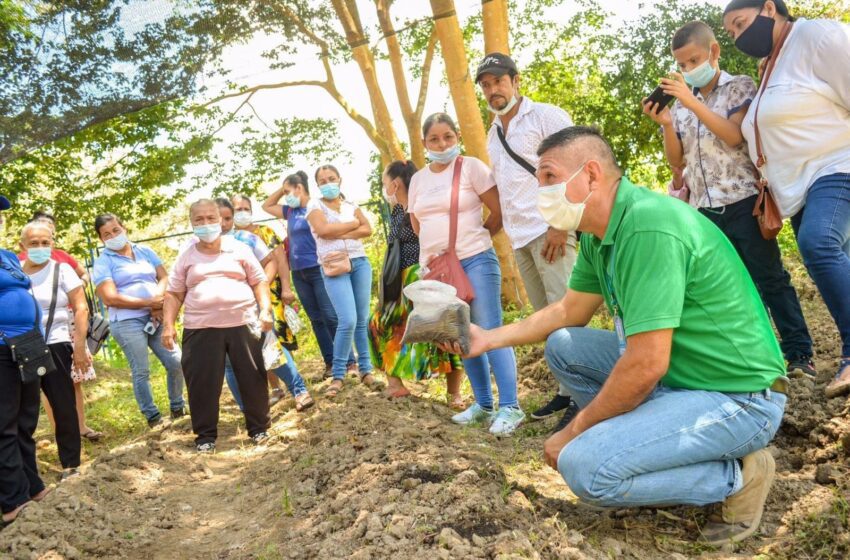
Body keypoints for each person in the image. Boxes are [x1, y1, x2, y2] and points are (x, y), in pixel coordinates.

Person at [448, 126, 787, 544]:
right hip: (681, 379)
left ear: (590, 175)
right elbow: (568, 311)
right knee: (565, 345)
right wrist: (487, 339)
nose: (541, 193)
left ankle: (738, 475)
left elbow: (646, 363)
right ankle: (644, 448)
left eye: (549, 178)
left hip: (739, 397)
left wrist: (575, 431)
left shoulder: (647, 227)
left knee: (584, 468)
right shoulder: (598, 235)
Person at [642, 20, 814, 377]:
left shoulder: (739, 87)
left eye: (693, 61)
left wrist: (690, 101)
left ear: (713, 52)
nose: (688, 70)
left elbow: (735, 136)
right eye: (682, 65)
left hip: (742, 200)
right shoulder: (683, 106)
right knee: (730, 288)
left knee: (769, 279)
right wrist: (667, 124)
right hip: (704, 212)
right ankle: (755, 360)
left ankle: (800, 354)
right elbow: (677, 161)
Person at [723, 0, 850, 398]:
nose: (739, 37)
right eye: (731, 33)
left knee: (818, 243)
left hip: (834, 165)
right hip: (793, 189)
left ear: (769, 8)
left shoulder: (816, 35)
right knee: (827, 259)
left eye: (741, 24)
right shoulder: (771, 64)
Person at [476, 52, 580, 430]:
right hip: (520, 238)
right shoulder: (493, 134)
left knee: (569, 315)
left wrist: (561, 224)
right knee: (546, 321)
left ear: (515, 80)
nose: (493, 90)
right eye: (486, 85)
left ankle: (585, 397)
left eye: (498, 81)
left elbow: (575, 165)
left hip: (550, 230)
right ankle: (567, 391)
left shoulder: (546, 116)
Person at [409, 113, 524, 436]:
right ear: (424, 143)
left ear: (456, 136)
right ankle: (484, 405)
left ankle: (511, 406)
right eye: (434, 139)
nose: (442, 144)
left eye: (447, 137)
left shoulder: (471, 167)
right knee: (460, 333)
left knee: (489, 329)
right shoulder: (418, 180)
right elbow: (418, 225)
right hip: (438, 271)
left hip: (475, 260)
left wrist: (475, 238)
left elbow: (498, 210)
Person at [162, 199, 272, 453]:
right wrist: (168, 325)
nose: (206, 224)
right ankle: (205, 438)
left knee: (252, 377)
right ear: (191, 224)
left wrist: (265, 309)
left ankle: (259, 430)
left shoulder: (239, 249)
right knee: (201, 383)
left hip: (243, 323)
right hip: (200, 328)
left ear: (220, 219)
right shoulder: (186, 255)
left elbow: (259, 281)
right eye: (198, 220)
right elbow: (174, 293)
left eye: (211, 218)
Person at [368, 160, 465, 407]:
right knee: (381, 324)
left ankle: (453, 394)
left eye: (383, 183)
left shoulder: (418, 205)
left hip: (420, 275)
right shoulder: (398, 209)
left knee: (440, 327)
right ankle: (397, 384)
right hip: (401, 280)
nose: (383, 188)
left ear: (395, 184)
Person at [215, 198, 313, 413]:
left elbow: (272, 262)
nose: (222, 223)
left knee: (271, 346)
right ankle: (251, 411)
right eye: (218, 218)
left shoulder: (247, 239)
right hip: (219, 313)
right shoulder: (198, 247)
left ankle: (299, 390)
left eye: (228, 218)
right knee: (232, 362)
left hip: (250, 305)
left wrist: (258, 286)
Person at [91, 214, 186, 428]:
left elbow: (163, 277)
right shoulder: (103, 262)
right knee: (141, 370)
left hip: (156, 316)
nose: (113, 236)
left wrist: (158, 304)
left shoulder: (145, 251)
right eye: (106, 234)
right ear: (101, 239)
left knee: (176, 361)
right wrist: (149, 303)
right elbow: (110, 297)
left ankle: (178, 407)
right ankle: (153, 417)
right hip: (126, 323)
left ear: (123, 228)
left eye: (116, 230)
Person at [263, 172, 357, 378]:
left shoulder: (315, 207)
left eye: (289, 191)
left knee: (331, 316)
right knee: (316, 319)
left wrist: (293, 186)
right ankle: (330, 363)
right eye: (285, 192)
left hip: (319, 268)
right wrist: (283, 187)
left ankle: (349, 361)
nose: (286, 196)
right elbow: (266, 206)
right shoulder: (289, 211)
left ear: (299, 188)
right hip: (299, 272)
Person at [20, 222, 89, 480]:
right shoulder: (14, 272)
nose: (40, 248)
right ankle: (26, 474)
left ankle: (70, 465)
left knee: (63, 406)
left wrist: (79, 347)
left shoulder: (62, 270)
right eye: (34, 243)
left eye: (45, 243)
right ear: (22, 246)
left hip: (56, 343)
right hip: (21, 347)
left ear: (52, 244)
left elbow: (81, 308)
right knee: (23, 411)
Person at [306, 164, 378, 398]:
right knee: (346, 320)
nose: (328, 183)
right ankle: (338, 375)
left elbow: (368, 229)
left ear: (340, 180)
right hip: (334, 264)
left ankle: (366, 370)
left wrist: (341, 231)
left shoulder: (351, 205)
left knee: (361, 320)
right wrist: (351, 225)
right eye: (323, 180)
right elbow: (323, 231)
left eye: (331, 178)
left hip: (360, 262)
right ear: (317, 185)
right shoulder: (314, 205)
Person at [0, 194, 50, 526]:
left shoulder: (7, 257)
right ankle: (11, 499)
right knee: (3, 423)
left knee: (26, 419)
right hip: (2, 347)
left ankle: (32, 485)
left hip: (28, 345)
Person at [18, 211, 89, 284]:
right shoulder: (17, 262)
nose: (46, 235)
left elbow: (84, 274)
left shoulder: (62, 256)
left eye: (51, 233)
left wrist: (81, 285)